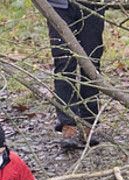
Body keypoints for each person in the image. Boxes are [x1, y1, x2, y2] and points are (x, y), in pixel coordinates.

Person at [45, 0, 106, 149]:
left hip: (93, 5)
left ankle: (88, 123)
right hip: (58, 6)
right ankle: (68, 124)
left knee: (91, 63)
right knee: (64, 63)